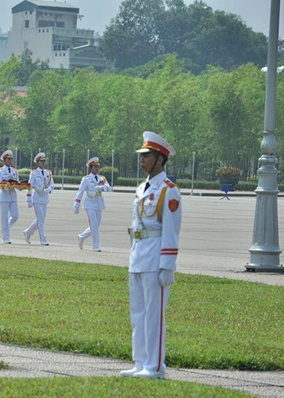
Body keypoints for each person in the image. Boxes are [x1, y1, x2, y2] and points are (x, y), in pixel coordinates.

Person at [120, 131, 182, 380]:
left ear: (160, 159)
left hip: (156, 258)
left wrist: (168, 265)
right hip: (138, 255)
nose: (142, 160)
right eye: (142, 156)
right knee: (138, 313)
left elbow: (171, 231)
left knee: (154, 314)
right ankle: (140, 361)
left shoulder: (169, 191)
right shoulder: (142, 188)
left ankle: (155, 366)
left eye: (146, 156)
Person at [73, 157, 111, 252]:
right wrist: (76, 205)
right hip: (90, 203)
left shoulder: (102, 178)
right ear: (91, 167)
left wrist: (101, 188)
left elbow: (108, 187)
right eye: (95, 167)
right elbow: (80, 192)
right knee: (94, 225)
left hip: (99, 203)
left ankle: (81, 237)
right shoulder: (86, 179)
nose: (97, 168)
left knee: (96, 226)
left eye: (98, 166)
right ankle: (96, 246)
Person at [23, 152, 54, 246]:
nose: (43, 163)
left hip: (44, 198)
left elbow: (52, 184)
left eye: (44, 161)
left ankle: (28, 232)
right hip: (37, 198)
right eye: (41, 161)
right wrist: (29, 199)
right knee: (40, 219)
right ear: (37, 162)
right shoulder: (34, 173)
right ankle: (43, 239)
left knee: (41, 219)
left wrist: (48, 189)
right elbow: (29, 185)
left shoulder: (48, 172)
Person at [0, 150, 20, 244]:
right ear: (5, 160)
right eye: (9, 159)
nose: (10, 161)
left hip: (13, 196)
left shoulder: (14, 171)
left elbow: (17, 182)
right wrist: (7, 187)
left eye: (11, 159)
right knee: (4, 217)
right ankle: (6, 238)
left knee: (15, 215)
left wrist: (21, 186)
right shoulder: (0, 171)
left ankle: (5, 228)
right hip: (4, 196)